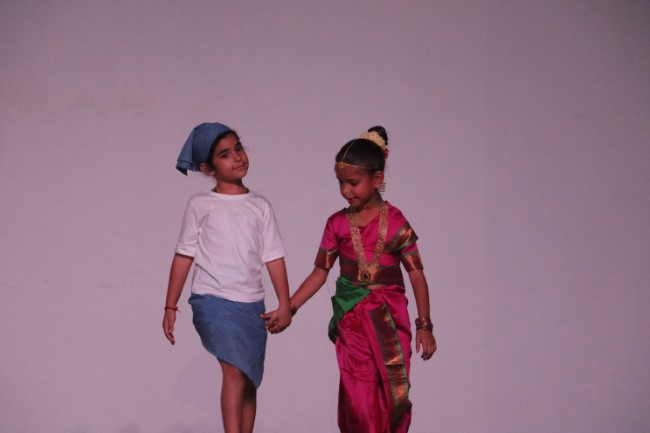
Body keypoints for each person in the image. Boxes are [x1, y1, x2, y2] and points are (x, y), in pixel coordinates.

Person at [285, 126, 437, 433]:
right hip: (353, 320)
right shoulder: (337, 224)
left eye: (353, 182)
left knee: (393, 396)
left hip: (392, 320)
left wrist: (425, 325)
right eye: (341, 182)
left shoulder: (396, 222)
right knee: (359, 398)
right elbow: (320, 273)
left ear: (377, 179)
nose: (345, 190)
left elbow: (416, 274)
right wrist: (290, 307)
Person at [162, 122, 292, 433]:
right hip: (212, 301)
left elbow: (273, 257)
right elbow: (184, 255)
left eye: (238, 148)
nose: (237, 157)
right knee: (233, 370)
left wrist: (285, 304)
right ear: (207, 168)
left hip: (251, 304)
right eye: (224, 154)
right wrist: (170, 306)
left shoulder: (260, 206)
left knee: (249, 376)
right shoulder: (200, 205)